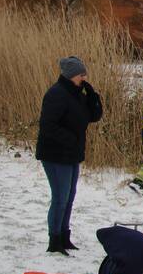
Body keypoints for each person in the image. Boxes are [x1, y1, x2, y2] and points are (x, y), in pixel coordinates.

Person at [36, 56, 103, 255]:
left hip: (72, 154)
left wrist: (93, 97)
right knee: (60, 197)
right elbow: (47, 126)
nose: (84, 78)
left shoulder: (77, 94)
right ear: (71, 75)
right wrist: (70, 139)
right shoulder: (56, 94)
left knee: (70, 196)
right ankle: (54, 239)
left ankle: (64, 236)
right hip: (55, 154)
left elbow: (94, 117)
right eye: (81, 75)